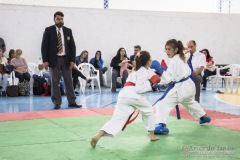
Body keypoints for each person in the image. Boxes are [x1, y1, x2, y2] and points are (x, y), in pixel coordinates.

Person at [90, 51, 160, 148]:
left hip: (123, 95)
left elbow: (149, 75)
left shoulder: (136, 70)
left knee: (117, 119)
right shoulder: (143, 70)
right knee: (149, 112)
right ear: (148, 61)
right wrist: (151, 85)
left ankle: (98, 135)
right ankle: (152, 135)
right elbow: (139, 89)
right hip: (134, 96)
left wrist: (153, 80)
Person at [152, 39, 211, 135]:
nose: (167, 51)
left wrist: (160, 72)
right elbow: (185, 52)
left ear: (175, 50)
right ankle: (204, 117)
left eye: (169, 49)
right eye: (166, 49)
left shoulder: (175, 60)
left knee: (162, 104)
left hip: (181, 88)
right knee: (189, 102)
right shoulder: (181, 56)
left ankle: (162, 125)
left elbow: (168, 79)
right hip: (189, 85)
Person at [41, 11, 81, 109]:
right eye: (58, 19)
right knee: (55, 82)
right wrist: (45, 60)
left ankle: (72, 101)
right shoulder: (48, 30)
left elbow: (72, 46)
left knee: (69, 81)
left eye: (61, 19)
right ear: (54, 19)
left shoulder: (68, 30)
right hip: (54, 60)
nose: (60, 20)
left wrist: (72, 60)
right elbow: (44, 46)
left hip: (66, 59)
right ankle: (56, 102)